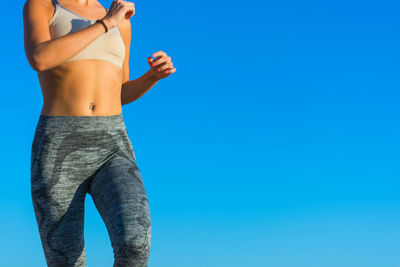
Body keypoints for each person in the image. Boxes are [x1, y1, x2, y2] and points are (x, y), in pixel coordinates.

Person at [23, 0, 176, 265]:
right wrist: (106, 24)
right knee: (66, 260)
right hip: (59, 144)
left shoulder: (122, 20)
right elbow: (40, 58)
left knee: (135, 244)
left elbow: (120, 91)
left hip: (111, 142)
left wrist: (152, 76)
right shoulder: (44, 5)